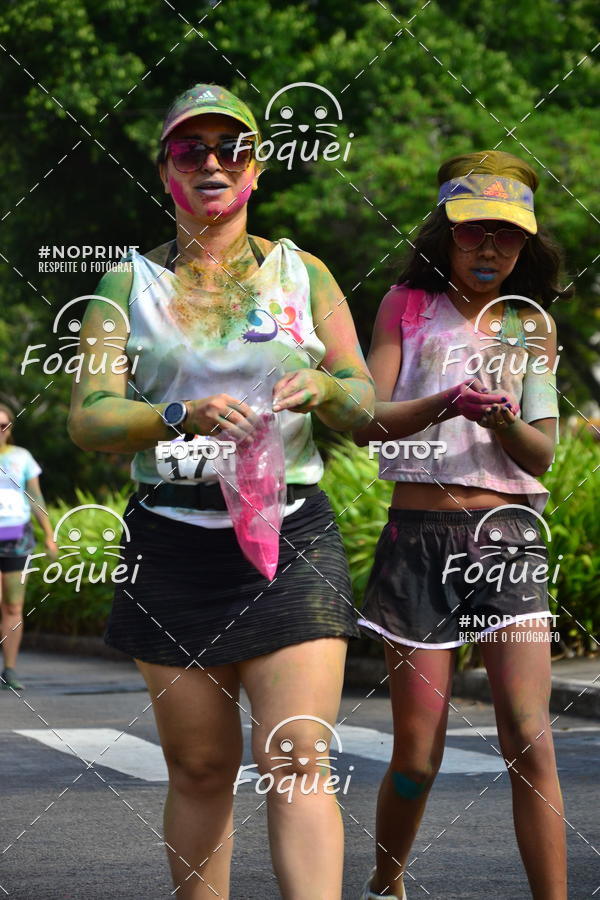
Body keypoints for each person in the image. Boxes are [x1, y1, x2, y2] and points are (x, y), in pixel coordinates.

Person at [68, 83, 374, 899]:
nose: (211, 162)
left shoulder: (304, 272)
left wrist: (324, 387)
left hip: (292, 535)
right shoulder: (122, 285)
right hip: (172, 541)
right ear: (165, 169)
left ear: (258, 167)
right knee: (201, 767)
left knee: (299, 755)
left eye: (231, 147)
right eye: (189, 150)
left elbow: (364, 398)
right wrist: (178, 414)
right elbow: (91, 418)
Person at [354, 150, 570, 900]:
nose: (489, 249)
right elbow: (367, 422)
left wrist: (507, 422)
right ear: (444, 232)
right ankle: (387, 881)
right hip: (418, 544)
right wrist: (441, 402)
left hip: (508, 541)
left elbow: (542, 454)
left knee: (528, 738)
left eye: (506, 237)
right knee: (416, 754)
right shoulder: (403, 308)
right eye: (474, 232)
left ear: (527, 244)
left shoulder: (527, 324)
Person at [0, 403, 57, 690]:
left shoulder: (22, 457)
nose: (0, 431)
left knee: (13, 605)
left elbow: (36, 497)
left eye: (4, 425)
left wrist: (49, 534)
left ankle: (9, 670)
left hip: (15, 535)